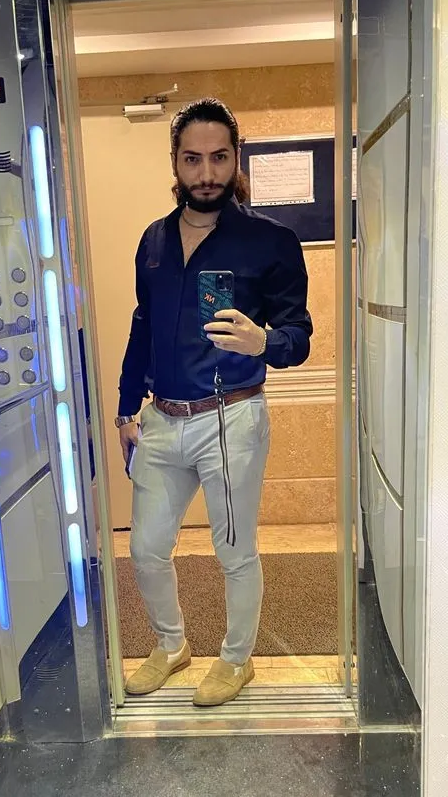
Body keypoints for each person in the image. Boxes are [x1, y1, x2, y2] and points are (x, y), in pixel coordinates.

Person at [116, 97, 312, 707]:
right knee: (145, 548)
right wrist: (126, 408)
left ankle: (235, 660)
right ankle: (171, 645)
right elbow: (143, 325)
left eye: (219, 158)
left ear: (236, 158)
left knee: (234, 550)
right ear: (175, 162)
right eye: (193, 159)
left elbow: (299, 336)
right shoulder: (153, 240)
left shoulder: (270, 242)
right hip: (161, 418)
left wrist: (264, 342)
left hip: (231, 419)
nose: (207, 173)